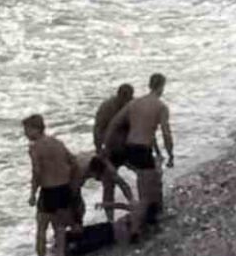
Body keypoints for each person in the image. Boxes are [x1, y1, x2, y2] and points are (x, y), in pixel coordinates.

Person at [104, 74, 173, 220]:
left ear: (149, 85)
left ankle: (149, 214)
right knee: (151, 185)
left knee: (147, 181)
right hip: (143, 148)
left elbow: (114, 123)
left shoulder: (134, 103)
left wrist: (106, 146)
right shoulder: (161, 106)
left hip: (129, 147)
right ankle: (146, 218)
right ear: (162, 87)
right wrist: (170, 154)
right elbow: (166, 133)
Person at [23, 114, 78, 256]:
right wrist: (69, 180)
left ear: (36, 129)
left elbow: (37, 172)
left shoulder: (35, 147)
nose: (25, 133)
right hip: (63, 189)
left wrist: (33, 194)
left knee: (42, 227)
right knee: (60, 227)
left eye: (27, 129)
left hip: (48, 191)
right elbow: (73, 162)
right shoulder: (57, 143)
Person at [65, 200, 152, 256]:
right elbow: (122, 205)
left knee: (92, 242)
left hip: (112, 234)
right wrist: (106, 204)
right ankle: (67, 240)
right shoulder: (137, 212)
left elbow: (134, 236)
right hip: (110, 228)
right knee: (89, 233)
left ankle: (72, 249)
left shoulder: (140, 222)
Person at [73, 151, 133, 224]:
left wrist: (132, 201)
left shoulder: (109, 169)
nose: (99, 180)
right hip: (70, 172)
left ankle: (110, 221)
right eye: (98, 178)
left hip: (98, 162)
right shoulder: (80, 171)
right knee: (78, 206)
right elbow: (74, 192)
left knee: (109, 186)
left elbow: (122, 184)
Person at [92, 83, 135, 158]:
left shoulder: (133, 105)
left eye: (129, 97)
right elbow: (98, 129)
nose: (125, 100)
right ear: (118, 94)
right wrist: (99, 148)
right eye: (124, 96)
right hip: (111, 140)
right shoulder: (107, 107)